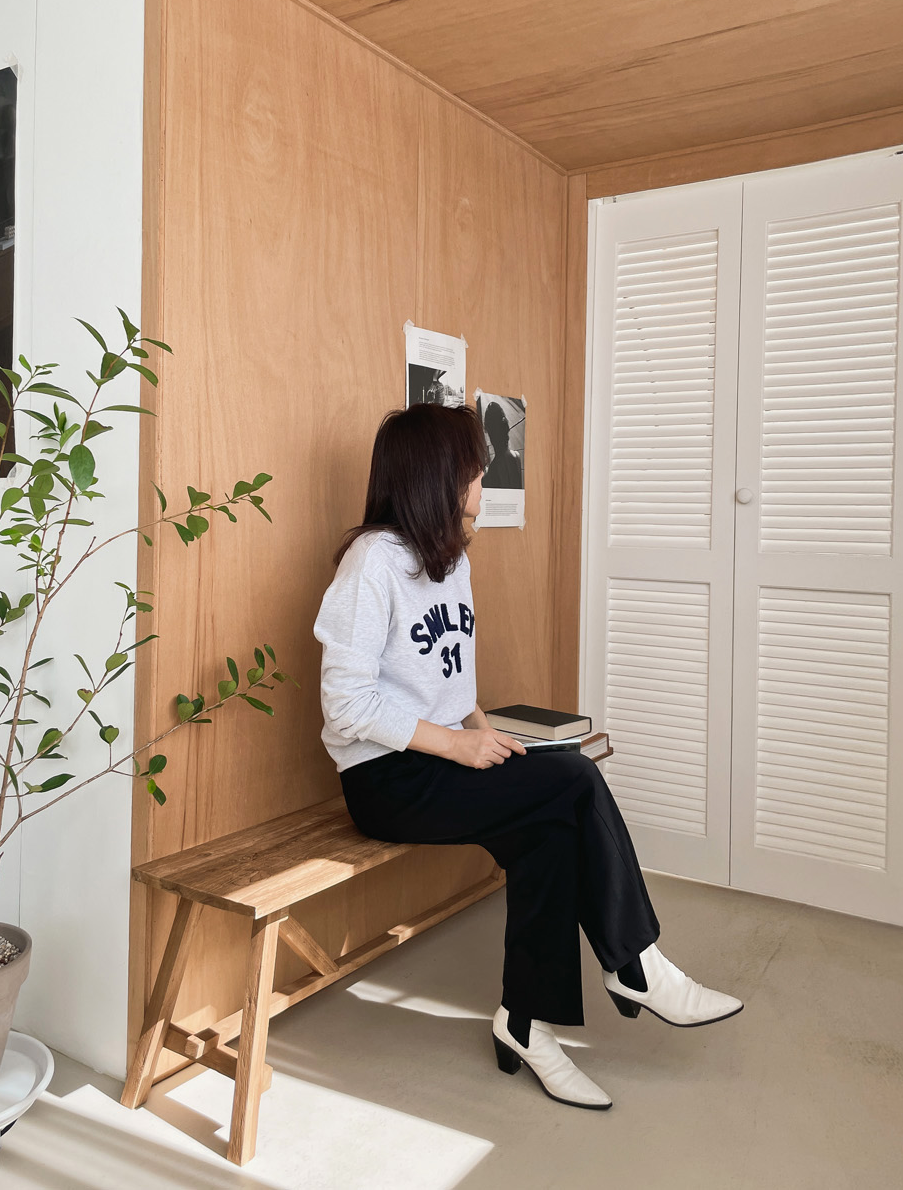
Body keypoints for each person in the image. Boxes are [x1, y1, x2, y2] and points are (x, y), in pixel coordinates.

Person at [314, 404, 742, 1111]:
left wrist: (485, 732)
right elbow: (346, 705)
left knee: (550, 829)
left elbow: (453, 682)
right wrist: (459, 744)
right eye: (474, 471)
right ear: (437, 477)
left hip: (443, 757)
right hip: (385, 777)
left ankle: (526, 1023)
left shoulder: (451, 560)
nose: (481, 484)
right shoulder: (371, 564)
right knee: (573, 777)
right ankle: (636, 962)